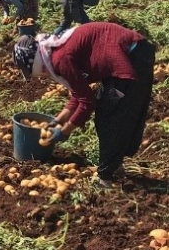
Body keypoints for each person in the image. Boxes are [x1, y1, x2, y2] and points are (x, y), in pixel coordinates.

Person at [12, 22, 156, 187]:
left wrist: (65, 131)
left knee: (110, 116)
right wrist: (57, 121)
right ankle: (114, 165)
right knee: (111, 111)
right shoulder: (55, 50)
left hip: (132, 57)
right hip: (135, 53)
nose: (38, 77)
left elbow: (88, 101)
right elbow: (79, 93)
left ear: (34, 63)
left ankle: (105, 179)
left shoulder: (60, 59)